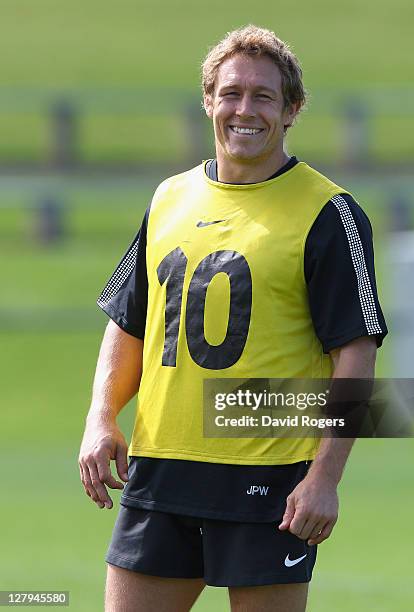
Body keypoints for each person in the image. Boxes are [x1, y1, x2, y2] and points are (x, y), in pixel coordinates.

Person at [79, 24, 387, 612]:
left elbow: (356, 352)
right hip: (161, 473)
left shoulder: (329, 212)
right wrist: (101, 418)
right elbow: (129, 321)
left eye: (263, 96)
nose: (244, 110)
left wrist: (325, 477)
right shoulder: (169, 197)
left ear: (292, 109)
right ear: (208, 101)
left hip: (269, 481)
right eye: (231, 93)